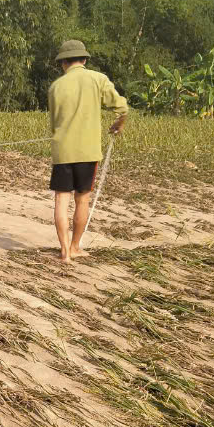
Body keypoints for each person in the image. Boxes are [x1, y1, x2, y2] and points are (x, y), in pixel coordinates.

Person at [47, 39, 127, 262]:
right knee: (82, 201)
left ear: (64, 63)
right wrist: (120, 123)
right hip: (88, 152)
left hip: (62, 151)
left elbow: (54, 124)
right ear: (84, 60)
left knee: (61, 201)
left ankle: (64, 251)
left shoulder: (56, 87)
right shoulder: (98, 79)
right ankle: (74, 247)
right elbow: (121, 106)